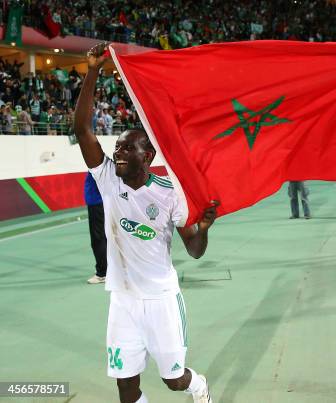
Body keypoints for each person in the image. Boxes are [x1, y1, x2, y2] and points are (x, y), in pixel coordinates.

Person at [74, 42, 214, 403]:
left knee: (174, 382)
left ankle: (198, 385)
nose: (117, 153)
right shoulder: (108, 179)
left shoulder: (170, 193)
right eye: (117, 148)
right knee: (125, 386)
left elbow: (195, 251)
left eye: (126, 149)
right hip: (122, 300)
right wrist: (92, 71)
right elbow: (82, 129)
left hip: (161, 300)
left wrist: (205, 227)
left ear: (147, 156)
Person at [85, 172, 107, 284]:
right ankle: (107, 269)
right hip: (99, 203)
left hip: (97, 204)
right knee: (104, 237)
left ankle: (102, 273)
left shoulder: (97, 167)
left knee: (98, 239)